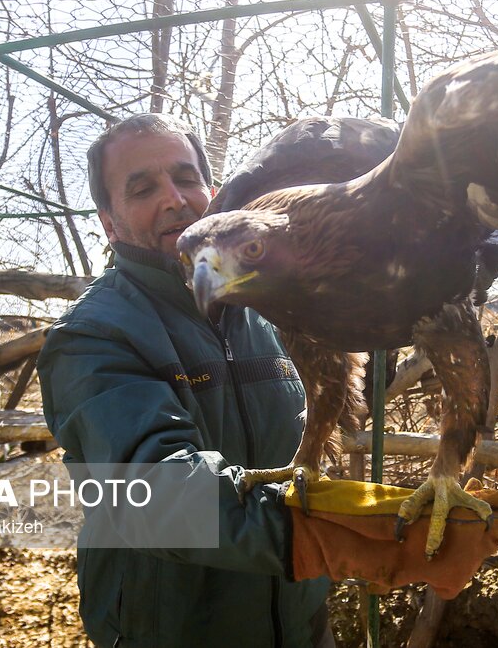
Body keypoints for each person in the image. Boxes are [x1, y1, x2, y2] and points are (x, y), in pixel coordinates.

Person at [37, 113, 334, 647]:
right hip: (174, 629)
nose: (174, 198)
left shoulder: (272, 308)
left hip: (301, 619)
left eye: (186, 177)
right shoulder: (93, 334)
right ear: (110, 222)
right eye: (143, 188)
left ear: (213, 193)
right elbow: (154, 489)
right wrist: (324, 534)